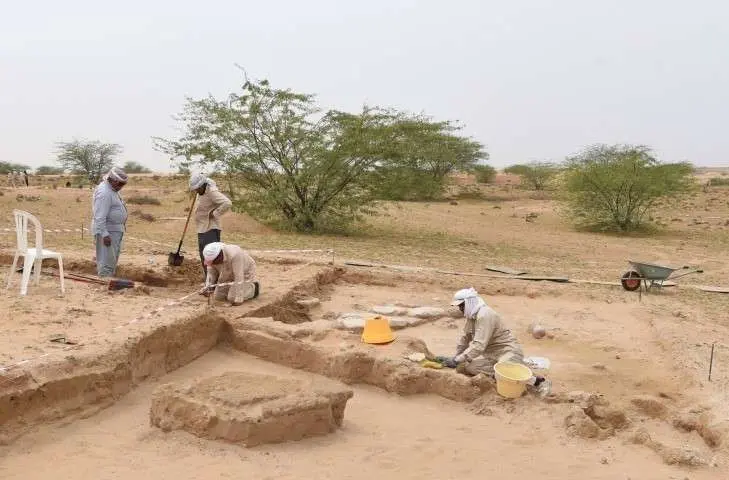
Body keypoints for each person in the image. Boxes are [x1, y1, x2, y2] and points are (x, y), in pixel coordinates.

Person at [438, 287, 551, 397]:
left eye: (462, 305)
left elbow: (478, 346)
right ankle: (513, 371)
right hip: (493, 358)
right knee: (469, 368)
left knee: (502, 370)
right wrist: (455, 357)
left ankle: (537, 381)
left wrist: (457, 360)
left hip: (508, 352)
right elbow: (465, 339)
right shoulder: (471, 317)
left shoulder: (485, 315)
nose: (460, 309)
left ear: (470, 302)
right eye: (459, 306)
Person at [189, 174, 232, 281]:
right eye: (195, 189)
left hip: (210, 228)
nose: (196, 190)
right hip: (202, 227)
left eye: (198, 188)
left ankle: (214, 281)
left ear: (203, 185)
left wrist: (215, 213)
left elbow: (227, 203)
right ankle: (209, 280)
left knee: (211, 256)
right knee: (204, 255)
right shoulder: (201, 191)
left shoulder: (212, 192)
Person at [91, 167, 128, 277]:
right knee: (106, 260)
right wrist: (105, 234)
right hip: (107, 232)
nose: (121, 187)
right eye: (120, 184)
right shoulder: (104, 192)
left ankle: (108, 279)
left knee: (111, 259)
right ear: (113, 180)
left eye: (123, 184)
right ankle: (104, 282)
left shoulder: (111, 189)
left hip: (114, 230)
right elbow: (99, 217)